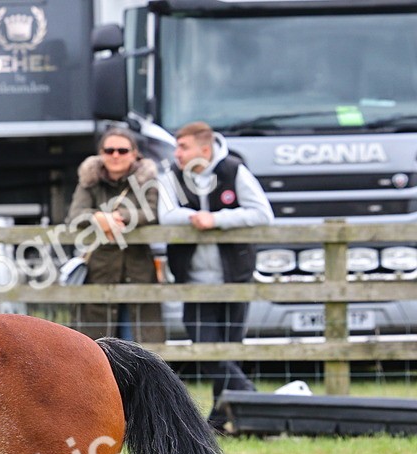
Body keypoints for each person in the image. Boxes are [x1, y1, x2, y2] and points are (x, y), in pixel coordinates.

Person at [158, 120, 275, 431]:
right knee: (208, 348)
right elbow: (164, 213)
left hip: (233, 278)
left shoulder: (234, 170)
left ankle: (221, 418)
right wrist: (194, 218)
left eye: (183, 147)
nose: (177, 153)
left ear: (204, 149)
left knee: (228, 349)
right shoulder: (171, 175)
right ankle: (255, 401)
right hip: (193, 281)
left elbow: (263, 213)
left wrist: (218, 219)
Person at [67, 127, 163, 342]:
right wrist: (97, 217)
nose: (116, 155)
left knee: (139, 346)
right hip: (99, 272)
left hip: (138, 271)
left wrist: (118, 216)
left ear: (134, 153)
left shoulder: (148, 180)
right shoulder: (89, 180)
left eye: (122, 150)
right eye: (109, 150)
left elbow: (152, 212)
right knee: (98, 346)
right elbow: (74, 216)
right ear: (101, 153)